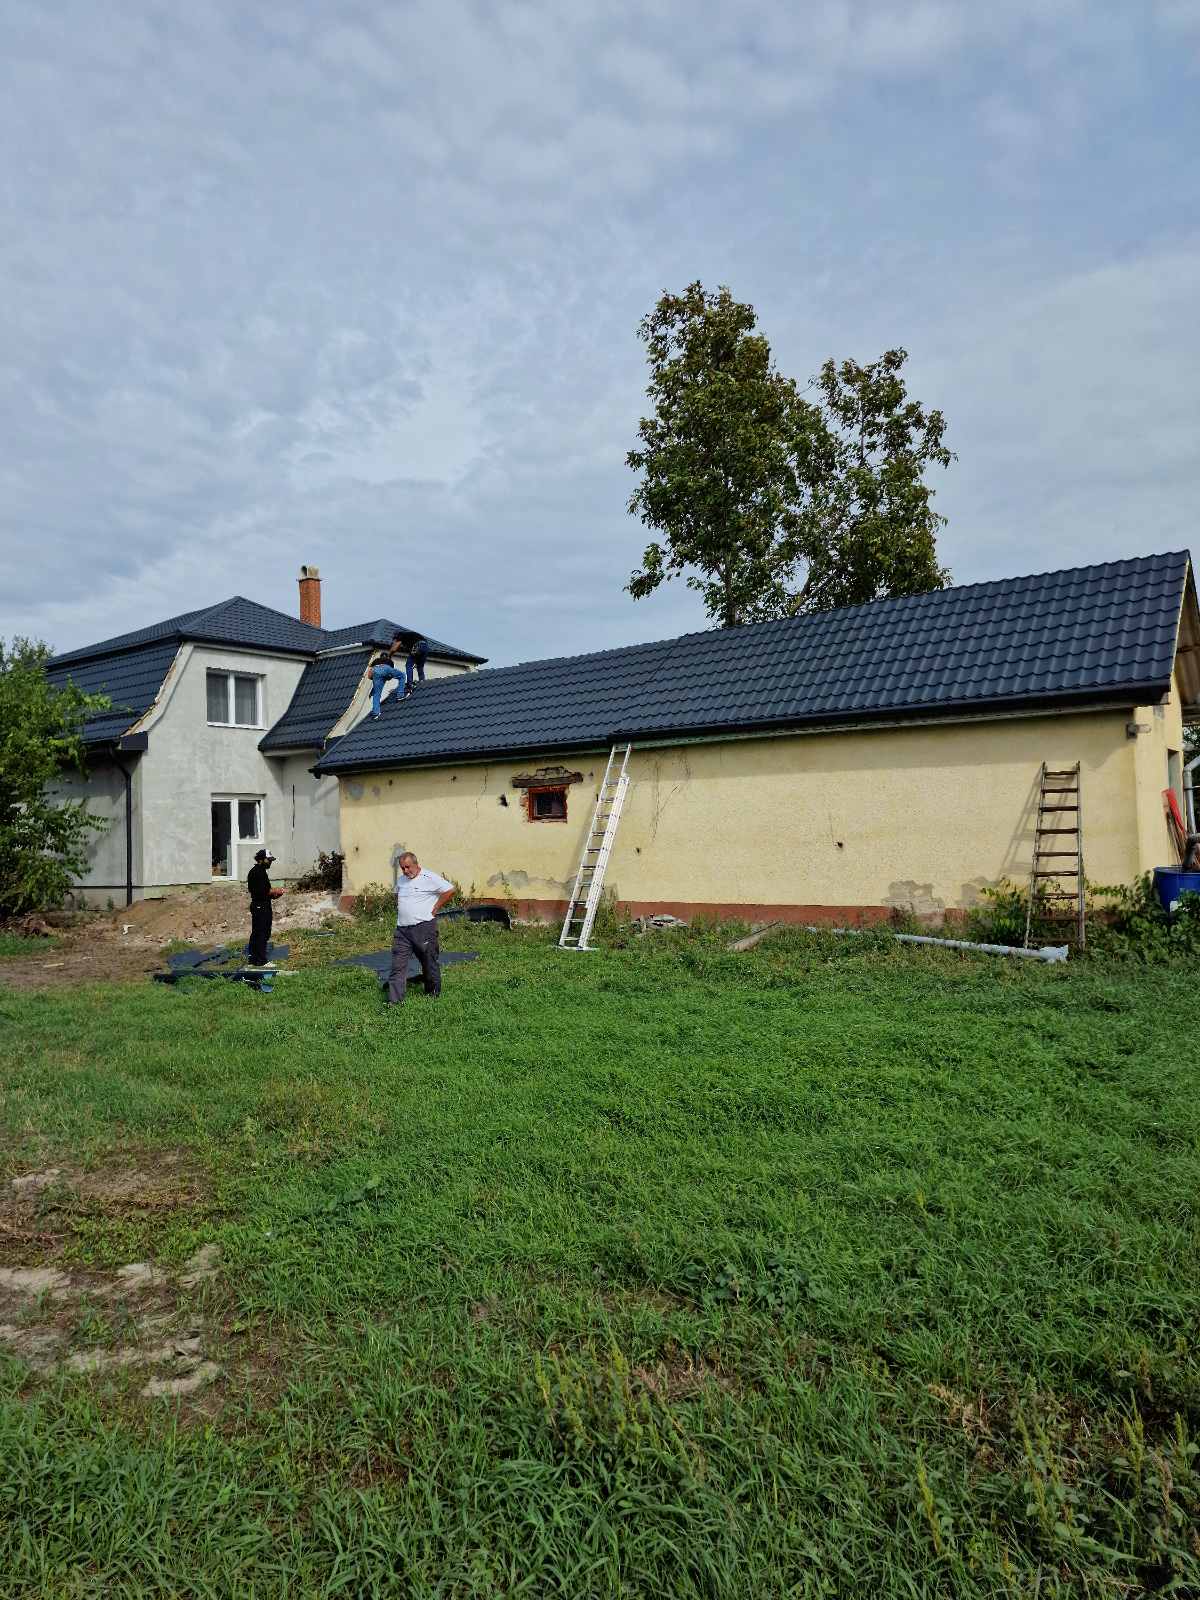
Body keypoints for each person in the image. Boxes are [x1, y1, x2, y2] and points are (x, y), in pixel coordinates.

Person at [387, 851, 456, 1004]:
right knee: (398, 965)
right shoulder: (401, 880)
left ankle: (433, 994)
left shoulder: (428, 877)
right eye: (402, 868)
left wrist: (436, 907)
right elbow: (396, 894)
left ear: (416, 864)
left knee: (428, 962)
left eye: (408, 867)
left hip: (424, 928)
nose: (405, 871)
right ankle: (394, 1002)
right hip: (402, 930)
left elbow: (450, 890)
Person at [246, 848, 284, 967]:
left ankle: (253, 959)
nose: (270, 862)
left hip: (262, 904)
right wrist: (275, 891)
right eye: (269, 860)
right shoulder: (257, 872)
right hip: (260, 906)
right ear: (261, 859)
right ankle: (261, 960)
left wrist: (274, 895)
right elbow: (262, 891)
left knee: (259, 932)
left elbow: (264, 892)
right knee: (261, 932)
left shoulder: (260, 871)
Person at [368, 642, 406, 720]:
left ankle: (376, 712)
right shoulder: (389, 661)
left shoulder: (376, 661)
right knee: (402, 676)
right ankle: (400, 695)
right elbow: (390, 674)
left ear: (380, 657)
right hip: (386, 668)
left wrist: (373, 690)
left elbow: (370, 675)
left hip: (375, 671)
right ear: (387, 657)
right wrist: (388, 677)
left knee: (377, 694)